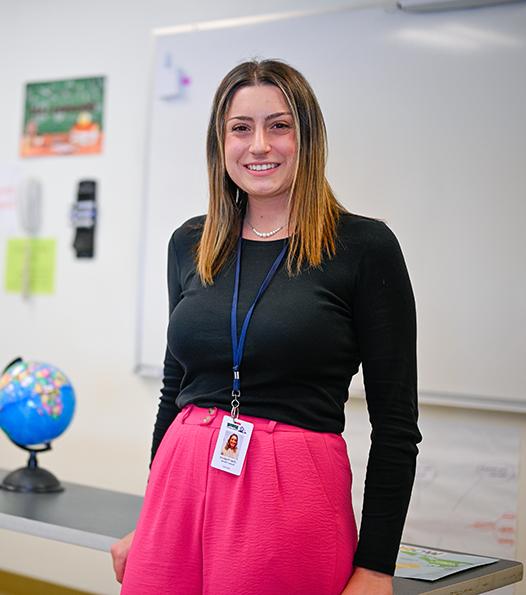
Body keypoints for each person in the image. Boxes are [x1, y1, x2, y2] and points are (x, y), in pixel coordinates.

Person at [111, 59, 422, 595]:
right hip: (180, 485)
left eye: (279, 126)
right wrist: (152, 515)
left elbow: (396, 424)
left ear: (308, 137)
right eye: (241, 128)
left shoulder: (363, 247)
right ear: (220, 142)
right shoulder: (191, 243)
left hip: (291, 489)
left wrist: (375, 567)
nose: (259, 145)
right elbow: (173, 392)